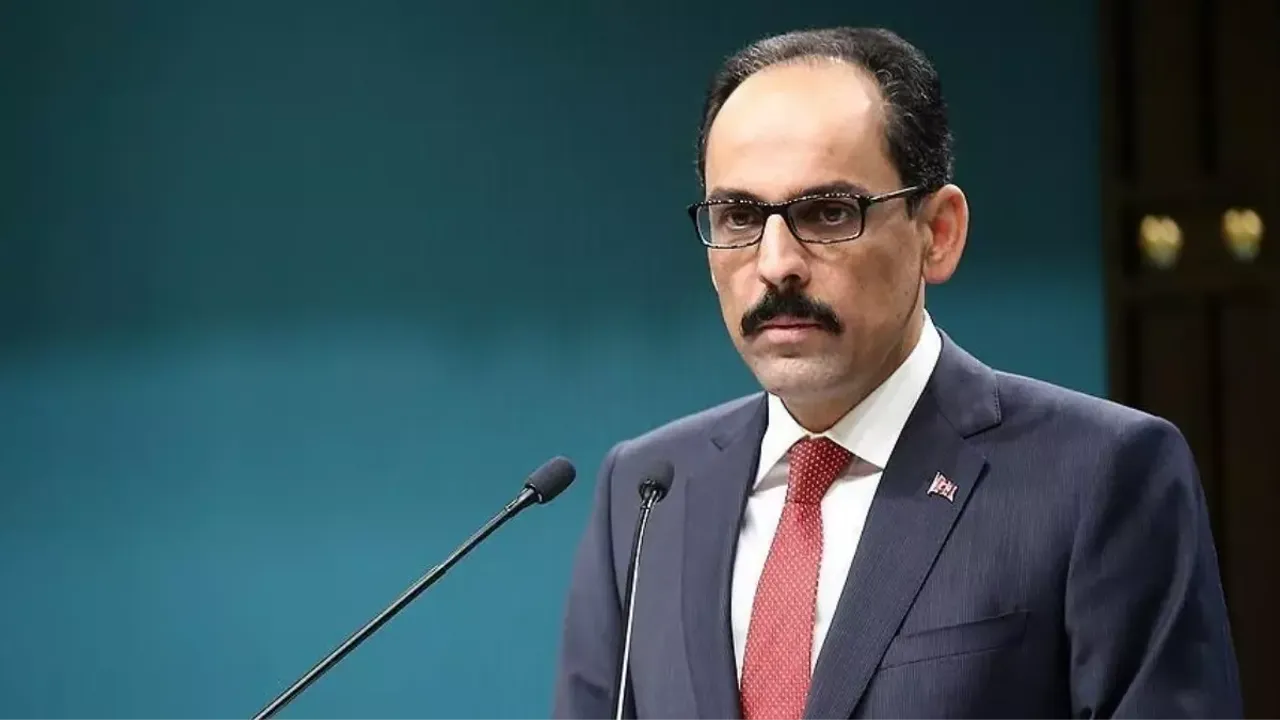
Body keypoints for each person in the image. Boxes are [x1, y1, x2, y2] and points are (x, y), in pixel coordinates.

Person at [551, 27, 1242, 720]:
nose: (776, 264)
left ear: (937, 232)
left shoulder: (1100, 474)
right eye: (738, 216)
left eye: (828, 213)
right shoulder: (647, 490)